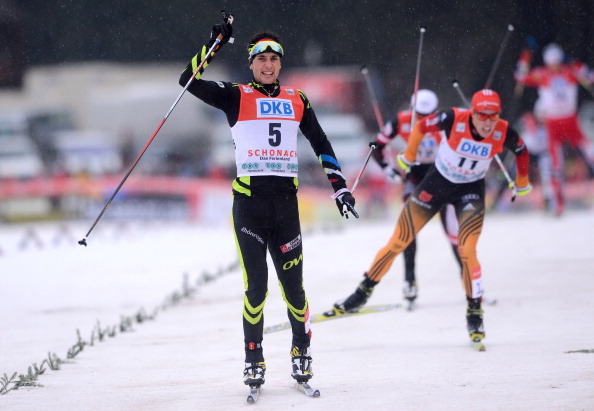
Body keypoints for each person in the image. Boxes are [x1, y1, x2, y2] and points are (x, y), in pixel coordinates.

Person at [178, 18, 358, 388]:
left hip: (285, 207)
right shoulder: (235, 95)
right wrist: (214, 45)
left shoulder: (297, 99)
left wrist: (339, 187)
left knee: (295, 289)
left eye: (274, 58)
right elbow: (188, 81)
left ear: (280, 63)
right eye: (261, 58)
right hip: (249, 206)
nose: (268, 64)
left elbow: (320, 143)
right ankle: (253, 358)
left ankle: (301, 352)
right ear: (251, 63)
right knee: (256, 287)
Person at [330, 89, 531, 348]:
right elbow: (422, 125)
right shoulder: (454, 118)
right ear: (473, 113)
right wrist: (409, 156)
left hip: (469, 192)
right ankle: (361, 294)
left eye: (493, 116)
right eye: (482, 115)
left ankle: (474, 312)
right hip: (436, 184)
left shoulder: (503, 130)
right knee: (398, 241)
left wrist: (522, 182)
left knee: (467, 249)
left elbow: (522, 151)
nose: (487, 122)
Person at [370, 89, 462, 308]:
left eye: (428, 114)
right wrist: (386, 168)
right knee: (408, 229)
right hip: (415, 175)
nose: (424, 119)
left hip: (441, 174)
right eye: (419, 114)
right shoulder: (400, 121)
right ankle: (410, 281)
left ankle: (468, 280)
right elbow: (377, 146)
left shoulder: (446, 121)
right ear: (413, 109)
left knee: (452, 228)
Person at [515, 43, 594, 216]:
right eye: (551, 62)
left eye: (557, 61)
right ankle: (558, 204)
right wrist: (525, 56)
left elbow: (590, 77)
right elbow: (520, 77)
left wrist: (578, 65)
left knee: (590, 153)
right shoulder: (542, 74)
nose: (555, 65)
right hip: (553, 125)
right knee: (555, 165)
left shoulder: (570, 71)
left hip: (571, 121)